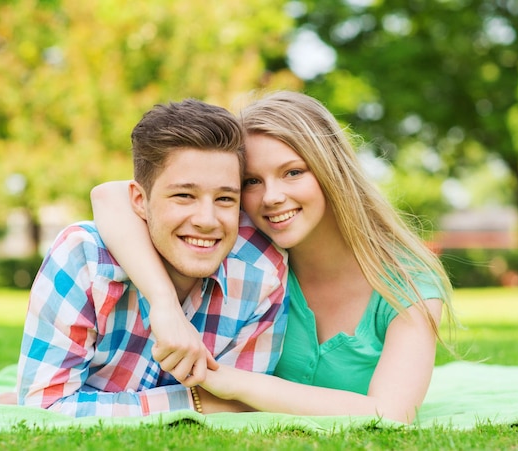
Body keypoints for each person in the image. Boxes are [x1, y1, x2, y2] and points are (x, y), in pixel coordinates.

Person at [91, 91, 456, 424]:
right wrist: (164, 304)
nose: (271, 197)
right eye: (252, 181)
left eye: (293, 172)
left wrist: (231, 382)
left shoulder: (408, 282)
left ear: (332, 171)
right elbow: (110, 196)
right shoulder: (243, 241)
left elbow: (392, 414)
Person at [7, 99, 288, 417]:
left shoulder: (260, 272)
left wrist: (88, 401)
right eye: (184, 195)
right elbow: (44, 410)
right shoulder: (84, 260)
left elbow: (241, 402)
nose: (207, 220)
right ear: (139, 200)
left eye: (225, 198)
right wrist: (193, 404)